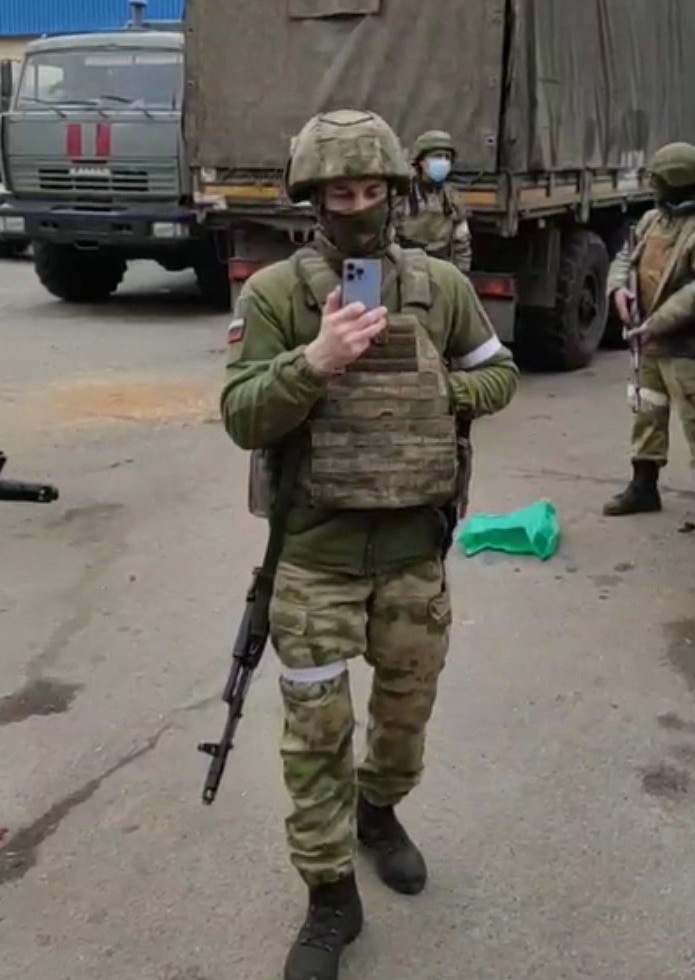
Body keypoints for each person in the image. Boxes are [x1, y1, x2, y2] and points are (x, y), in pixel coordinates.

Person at [220, 108, 518, 980]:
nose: (356, 206)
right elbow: (241, 416)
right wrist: (313, 361)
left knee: (404, 717)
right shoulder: (275, 294)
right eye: (338, 193)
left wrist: (440, 392)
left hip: (414, 552)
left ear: (393, 190)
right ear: (312, 199)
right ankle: (329, 896)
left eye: (370, 190)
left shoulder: (440, 286)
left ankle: (379, 814)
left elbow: (499, 373)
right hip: (312, 557)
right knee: (316, 735)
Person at [603, 142, 695, 532]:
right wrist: (619, 289)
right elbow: (625, 257)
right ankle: (644, 487)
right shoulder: (653, 220)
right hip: (649, 341)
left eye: (659, 180)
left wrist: (655, 323)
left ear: (678, 182)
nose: (654, 187)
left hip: (687, 346)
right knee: (647, 412)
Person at [396, 130, 472, 273]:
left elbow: (461, 243)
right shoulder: (402, 196)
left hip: (441, 271)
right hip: (406, 270)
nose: (443, 162)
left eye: (447, 158)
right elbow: (387, 240)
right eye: (437, 156)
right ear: (421, 161)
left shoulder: (452, 199)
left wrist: (460, 276)